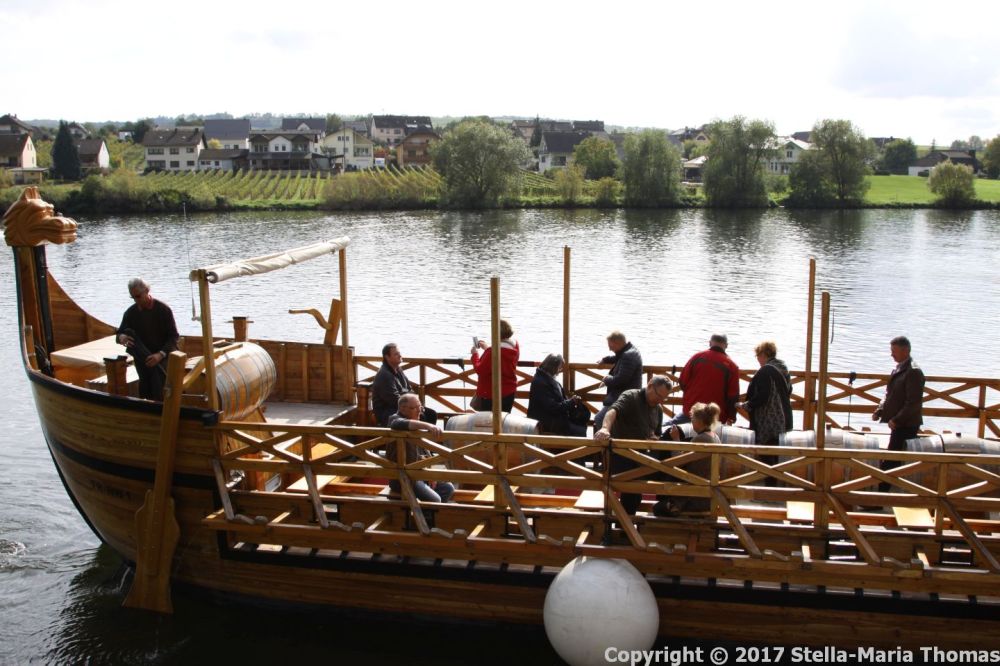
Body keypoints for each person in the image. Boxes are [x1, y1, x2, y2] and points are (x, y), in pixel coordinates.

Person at [593, 375, 673, 515]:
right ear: (649, 386)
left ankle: (664, 513)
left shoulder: (658, 409)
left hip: (641, 457)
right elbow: (612, 411)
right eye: (658, 396)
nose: (660, 400)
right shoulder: (631, 396)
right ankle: (624, 527)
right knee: (633, 492)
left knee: (669, 473)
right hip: (620, 457)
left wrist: (655, 439)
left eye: (663, 398)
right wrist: (605, 428)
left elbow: (657, 434)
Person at [653, 402, 721, 516]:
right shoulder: (715, 437)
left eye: (693, 419)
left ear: (700, 421)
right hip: (708, 493)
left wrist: (675, 439)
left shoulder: (700, 439)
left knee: (657, 509)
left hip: (696, 497)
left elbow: (678, 462)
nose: (692, 422)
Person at [116, 278, 179, 401]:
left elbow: (174, 336)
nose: (136, 300)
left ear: (147, 290)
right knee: (144, 389)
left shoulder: (163, 310)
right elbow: (119, 334)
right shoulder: (131, 312)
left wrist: (160, 355)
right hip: (142, 359)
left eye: (138, 296)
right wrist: (121, 337)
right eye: (133, 297)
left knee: (160, 389)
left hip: (163, 357)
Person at [873, 336, 925, 481]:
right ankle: (883, 493)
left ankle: (880, 496)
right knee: (893, 459)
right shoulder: (899, 368)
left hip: (906, 424)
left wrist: (897, 420)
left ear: (906, 351)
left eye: (894, 351)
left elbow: (913, 403)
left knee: (892, 461)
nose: (891, 354)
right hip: (897, 423)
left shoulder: (913, 371)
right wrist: (880, 409)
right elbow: (889, 394)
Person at [387, 393, 454, 503]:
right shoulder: (394, 419)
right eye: (415, 408)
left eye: (420, 407)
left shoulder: (416, 423)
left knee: (448, 488)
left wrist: (430, 474)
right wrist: (429, 426)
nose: (420, 411)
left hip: (420, 474)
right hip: (403, 477)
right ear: (402, 409)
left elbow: (425, 454)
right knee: (435, 499)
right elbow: (397, 424)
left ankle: (430, 514)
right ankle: (427, 516)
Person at [740, 341, 793, 456]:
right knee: (777, 453)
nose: (757, 359)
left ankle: (765, 473)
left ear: (763, 354)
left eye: (758, 356)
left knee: (765, 452)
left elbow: (762, 396)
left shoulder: (765, 371)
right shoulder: (784, 369)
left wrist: (746, 405)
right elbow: (789, 391)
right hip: (784, 418)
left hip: (769, 421)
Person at [678, 333, 740, 425]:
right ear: (726, 346)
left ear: (710, 343)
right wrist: (732, 416)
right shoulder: (732, 366)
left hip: (691, 411)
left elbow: (682, 382)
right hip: (715, 416)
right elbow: (733, 396)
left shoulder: (696, 357)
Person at [371, 343, 437, 427]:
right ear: (387, 357)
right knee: (421, 416)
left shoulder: (398, 369)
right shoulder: (384, 375)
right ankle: (416, 439)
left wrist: (418, 406)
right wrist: (412, 408)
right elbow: (394, 400)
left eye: (399, 353)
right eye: (396, 354)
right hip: (388, 412)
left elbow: (410, 390)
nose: (400, 355)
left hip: (403, 405)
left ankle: (428, 438)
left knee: (431, 414)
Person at [592, 330, 643, 433]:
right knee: (608, 422)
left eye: (611, 345)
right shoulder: (629, 351)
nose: (609, 348)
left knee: (599, 419)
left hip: (623, 398)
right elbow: (618, 358)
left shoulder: (628, 356)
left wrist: (607, 379)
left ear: (617, 343)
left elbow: (621, 380)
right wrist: (605, 359)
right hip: (625, 396)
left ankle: (607, 444)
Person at [527, 353, 587, 436]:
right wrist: (571, 402)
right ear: (553, 367)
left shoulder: (546, 378)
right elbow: (553, 407)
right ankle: (570, 448)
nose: (560, 370)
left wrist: (571, 401)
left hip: (552, 418)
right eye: (559, 367)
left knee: (581, 423)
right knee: (580, 431)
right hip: (546, 422)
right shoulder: (541, 383)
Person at [471, 319, 520, 412]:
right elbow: (501, 359)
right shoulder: (515, 345)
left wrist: (475, 355)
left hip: (491, 393)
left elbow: (480, 369)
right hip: (509, 391)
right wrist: (487, 348)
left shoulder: (493, 352)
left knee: (488, 422)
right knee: (504, 420)